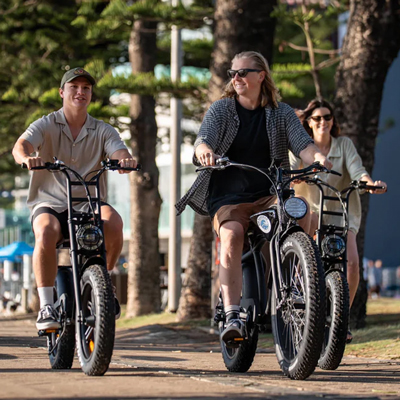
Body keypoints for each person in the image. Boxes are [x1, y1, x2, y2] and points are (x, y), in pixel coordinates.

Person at [175, 51, 332, 345]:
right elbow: (202, 140)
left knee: (302, 214)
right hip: (229, 196)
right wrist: (204, 151)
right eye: (232, 73)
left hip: (269, 193)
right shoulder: (221, 110)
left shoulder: (281, 112)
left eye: (243, 72)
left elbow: (304, 145)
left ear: (261, 76)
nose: (236, 78)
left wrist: (318, 158)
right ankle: (232, 313)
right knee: (233, 235)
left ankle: (296, 280)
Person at [12, 67, 137, 331]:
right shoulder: (46, 123)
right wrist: (26, 158)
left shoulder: (103, 129)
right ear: (62, 92)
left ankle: (105, 279)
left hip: (88, 203)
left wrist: (123, 160)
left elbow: (118, 150)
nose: (80, 92)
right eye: (74, 87)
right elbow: (21, 145)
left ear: (91, 94)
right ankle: (46, 305)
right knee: (45, 231)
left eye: (86, 88)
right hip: (51, 202)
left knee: (113, 222)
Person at [289, 98, 387, 342]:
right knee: (310, 262)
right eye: (318, 118)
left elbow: (358, 171)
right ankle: (304, 304)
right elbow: (289, 169)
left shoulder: (344, 145)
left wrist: (371, 184)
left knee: (352, 264)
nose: (324, 122)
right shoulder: (302, 145)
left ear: (333, 121)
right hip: (312, 213)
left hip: (342, 214)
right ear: (309, 123)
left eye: (328, 117)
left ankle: (340, 319)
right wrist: (294, 178)